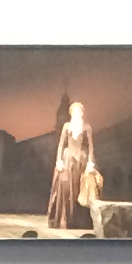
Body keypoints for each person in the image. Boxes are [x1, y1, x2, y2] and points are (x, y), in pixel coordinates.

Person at [48, 98, 96, 232]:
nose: (76, 113)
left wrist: (90, 162)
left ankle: (79, 220)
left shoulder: (87, 127)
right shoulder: (67, 126)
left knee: (79, 189)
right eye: (74, 111)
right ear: (71, 113)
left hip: (81, 160)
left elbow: (90, 146)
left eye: (79, 111)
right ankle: (65, 219)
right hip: (68, 159)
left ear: (82, 113)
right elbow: (61, 144)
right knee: (66, 189)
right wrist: (59, 160)